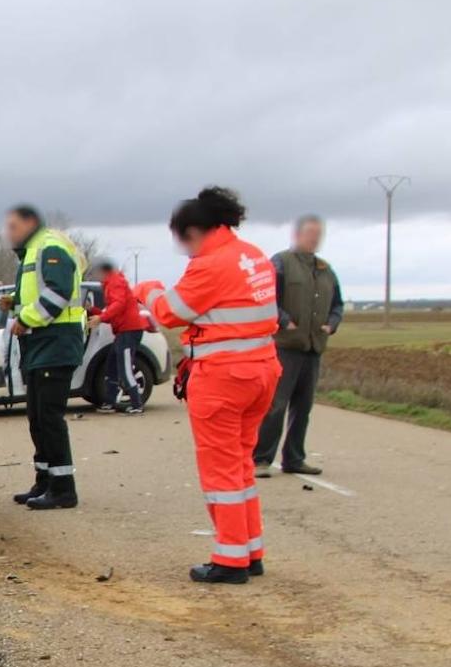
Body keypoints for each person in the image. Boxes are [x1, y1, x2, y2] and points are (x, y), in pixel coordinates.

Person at [145, 187, 281, 584]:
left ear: (194, 231)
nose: (184, 250)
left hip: (223, 376)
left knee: (220, 470)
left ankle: (230, 560)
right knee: (240, 464)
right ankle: (250, 550)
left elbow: (170, 312)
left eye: (182, 240)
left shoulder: (211, 264)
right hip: (262, 371)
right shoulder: (252, 255)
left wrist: (146, 289)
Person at [0, 205, 86, 510]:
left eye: (13, 226)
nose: (9, 232)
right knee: (37, 418)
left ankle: (63, 489)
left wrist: (27, 319)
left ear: (30, 223)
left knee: (49, 418)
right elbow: (41, 294)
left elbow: (58, 293)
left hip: (56, 343)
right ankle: (45, 480)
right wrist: (15, 303)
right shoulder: (33, 251)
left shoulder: (50, 246)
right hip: (40, 346)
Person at [253, 215, 343, 477]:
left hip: (313, 347)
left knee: (303, 407)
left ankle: (294, 458)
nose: (315, 238)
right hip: (285, 346)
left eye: (319, 234)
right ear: (297, 235)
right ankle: (260, 458)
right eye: (310, 233)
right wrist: (284, 321)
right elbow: (267, 297)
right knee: (276, 404)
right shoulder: (281, 262)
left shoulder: (326, 270)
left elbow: (337, 304)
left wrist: (332, 323)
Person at [87, 258, 148, 414]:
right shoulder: (109, 284)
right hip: (122, 332)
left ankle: (136, 404)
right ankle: (110, 402)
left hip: (129, 330)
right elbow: (112, 310)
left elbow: (118, 305)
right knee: (112, 366)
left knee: (125, 368)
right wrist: (93, 310)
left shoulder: (115, 282)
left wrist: (100, 318)